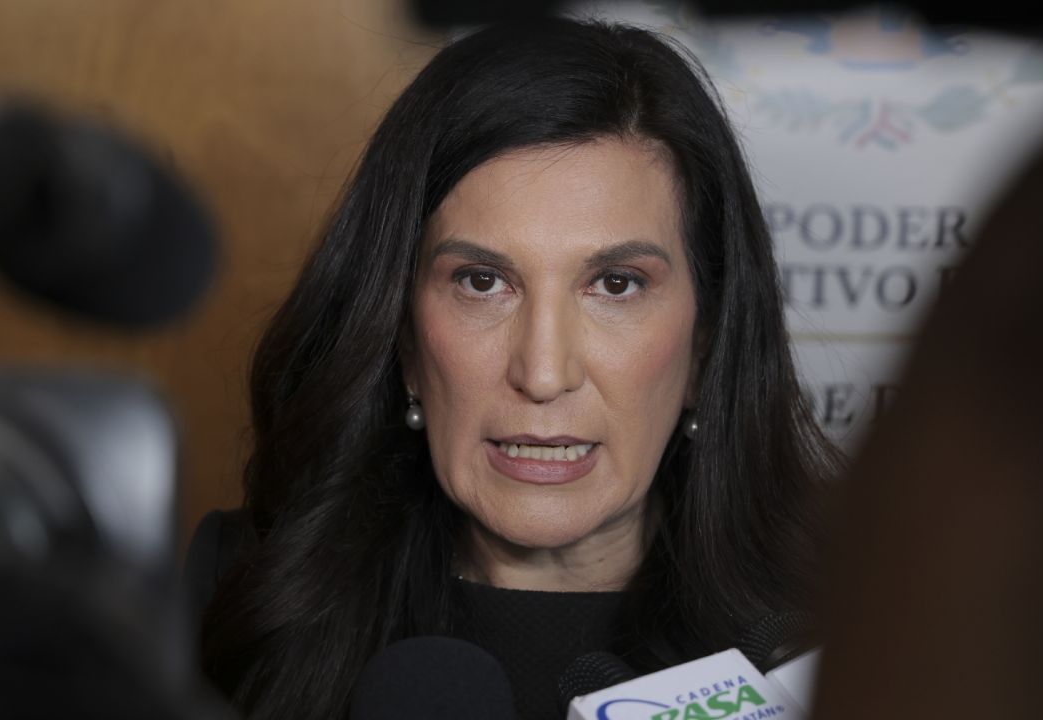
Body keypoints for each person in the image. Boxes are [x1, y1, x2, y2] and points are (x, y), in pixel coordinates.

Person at [188, 17, 839, 720]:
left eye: (615, 284)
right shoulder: (242, 594)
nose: (543, 373)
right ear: (403, 338)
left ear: (705, 344)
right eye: (482, 282)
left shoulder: (849, 628)